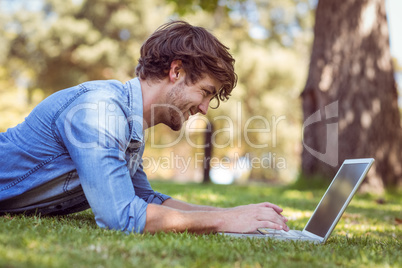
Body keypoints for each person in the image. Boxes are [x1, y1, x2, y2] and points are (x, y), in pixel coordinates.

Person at [0, 21, 289, 234]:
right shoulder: (99, 111)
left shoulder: (130, 124)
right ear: (176, 72)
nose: (203, 108)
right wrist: (225, 221)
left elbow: (145, 199)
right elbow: (122, 216)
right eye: (205, 92)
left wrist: (237, 214)